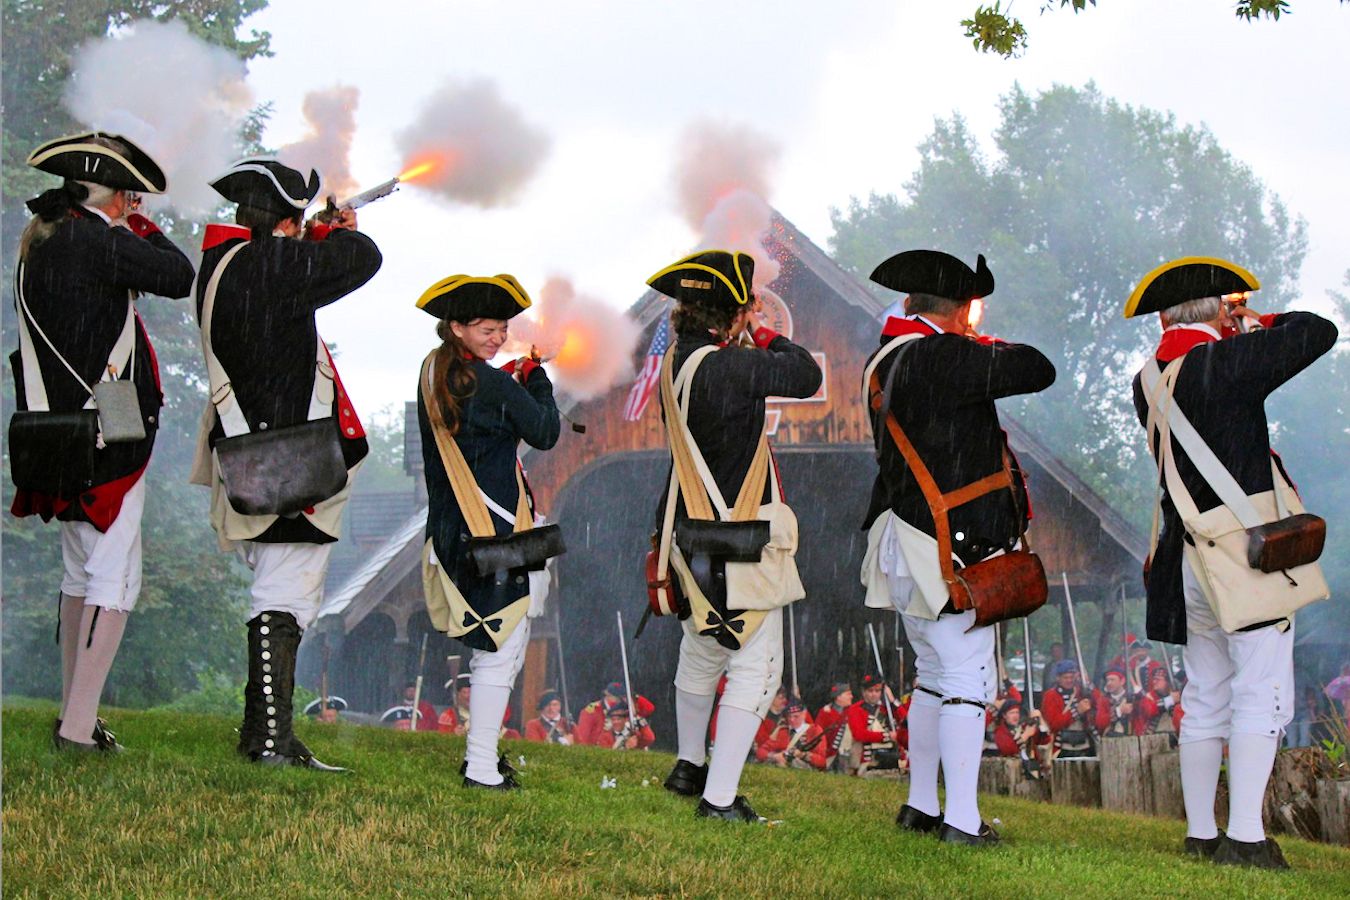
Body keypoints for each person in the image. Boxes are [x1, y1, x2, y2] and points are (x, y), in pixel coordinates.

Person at [1126, 257, 1337, 868]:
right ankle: (1245, 836)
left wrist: (1231, 324)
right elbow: (1317, 330)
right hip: (1241, 555)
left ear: (1165, 318)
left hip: (1185, 556)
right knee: (1261, 693)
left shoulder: (1148, 379)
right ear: (1221, 311)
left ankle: (1200, 833)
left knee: (1207, 694)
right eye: (1230, 305)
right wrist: (1257, 321)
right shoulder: (1225, 362)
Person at [859, 250, 1055, 845]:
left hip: (907, 537)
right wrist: (974, 341)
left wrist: (966, 339)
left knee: (932, 677)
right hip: (946, 546)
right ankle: (963, 821)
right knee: (968, 680)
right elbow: (1037, 367)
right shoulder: (942, 354)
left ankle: (922, 806)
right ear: (961, 310)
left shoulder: (888, 356)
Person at [192, 158, 381, 772]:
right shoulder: (268, 264)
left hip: (252, 445)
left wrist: (313, 236)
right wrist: (339, 233)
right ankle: (271, 740)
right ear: (286, 220)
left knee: (284, 589)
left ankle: (264, 732)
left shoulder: (226, 262)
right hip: (288, 453)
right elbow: (363, 258)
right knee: (285, 593)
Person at [11, 132, 194, 752]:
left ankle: (76, 715)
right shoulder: (98, 240)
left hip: (54, 427)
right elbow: (178, 275)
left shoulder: (42, 240)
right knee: (114, 578)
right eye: (129, 196)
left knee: (78, 573)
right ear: (116, 197)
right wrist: (140, 224)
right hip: (105, 428)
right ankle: (77, 727)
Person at [649, 249, 821, 823]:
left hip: (690, 529)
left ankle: (688, 765)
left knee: (703, 648)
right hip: (736, 533)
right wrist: (764, 333)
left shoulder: (678, 360)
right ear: (736, 312)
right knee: (757, 667)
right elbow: (807, 374)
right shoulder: (731, 365)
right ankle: (719, 798)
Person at [415, 273, 562, 789]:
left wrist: (510, 377)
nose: (498, 338)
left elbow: (484, 413)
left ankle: (483, 758)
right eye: (487, 329)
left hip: (452, 528)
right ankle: (480, 767)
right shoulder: (490, 383)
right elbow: (545, 431)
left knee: (494, 649)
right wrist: (536, 376)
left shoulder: (435, 370)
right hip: (492, 533)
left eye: (502, 329)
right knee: (501, 652)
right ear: (457, 327)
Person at [845, 675, 905, 775]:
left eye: (877, 691)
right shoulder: (856, 709)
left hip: (892, 758)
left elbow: (905, 721)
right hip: (868, 761)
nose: (874, 694)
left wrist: (893, 700)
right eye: (870, 691)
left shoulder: (887, 709)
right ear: (863, 692)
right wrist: (887, 736)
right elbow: (859, 734)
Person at [1041, 660, 1098, 758]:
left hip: (1085, 744)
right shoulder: (1051, 696)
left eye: (1071, 677)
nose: (1069, 680)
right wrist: (1076, 711)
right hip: (1062, 746)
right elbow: (1054, 724)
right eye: (1065, 677)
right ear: (1058, 678)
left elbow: (1099, 703)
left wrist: (1088, 683)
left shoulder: (1082, 691)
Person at [985, 699, 1050, 779]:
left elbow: (1045, 740)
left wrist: (1040, 718)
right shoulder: (1000, 732)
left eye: (1017, 712)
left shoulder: (1023, 727)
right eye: (1012, 713)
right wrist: (1025, 735)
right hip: (1011, 772)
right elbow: (1009, 749)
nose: (1015, 716)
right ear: (1004, 715)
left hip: (1031, 768)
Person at [756, 697, 827, 771]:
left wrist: (803, 755)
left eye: (796, 716)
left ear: (804, 714)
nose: (792, 719)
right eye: (789, 716)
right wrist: (774, 756)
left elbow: (822, 762)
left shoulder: (815, 730)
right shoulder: (783, 731)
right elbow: (761, 751)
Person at [584, 702, 655, 750]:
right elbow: (606, 757)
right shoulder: (605, 736)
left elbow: (649, 739)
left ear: (626, 719)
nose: (616, 722)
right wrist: (625, 747)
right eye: (613, 719)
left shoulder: (632, 733)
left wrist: (640, 721)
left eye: (618, 719)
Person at [815, 682, 853, 770]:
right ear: (838, 697)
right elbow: (818, 735)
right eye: (848, 694)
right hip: (830, 756)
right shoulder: (824, 713)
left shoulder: (853, 711)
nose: (851, 697)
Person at [1137, 666, 1183, 736]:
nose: (1154, 682)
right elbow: (1150, 710)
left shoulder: (1180, 695)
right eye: (1154, 679)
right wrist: (1170, 700)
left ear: (1167, 682)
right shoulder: (1149, 696)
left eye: (1158, 679)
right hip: (1154, 736)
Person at [1094, 669, 1136, 738]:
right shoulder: (1103, 700)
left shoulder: (1133, 697)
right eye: (1107, 680)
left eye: (1112, 680)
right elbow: (1099, 723)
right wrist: (1118, 711)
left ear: (1122, 681)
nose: (1108, 683)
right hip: (1110, 739)